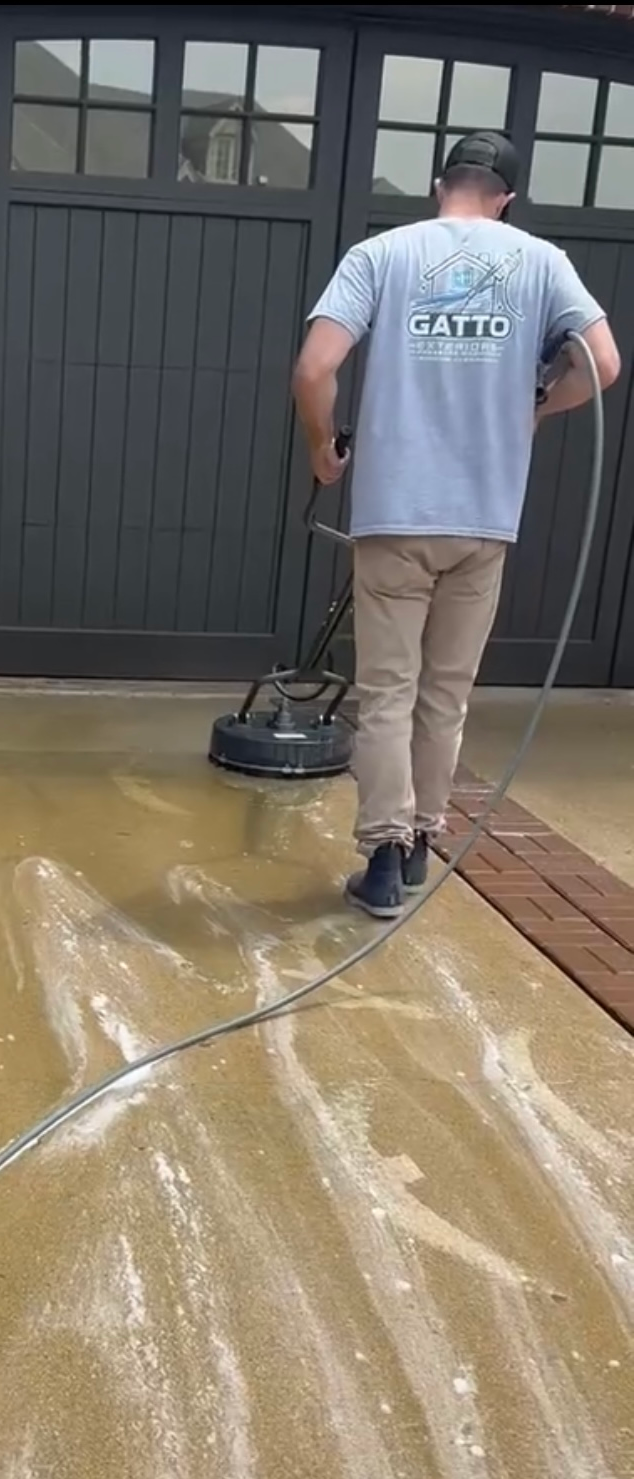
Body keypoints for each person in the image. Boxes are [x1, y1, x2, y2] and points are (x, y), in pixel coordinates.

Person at [292, 130, 621, 919]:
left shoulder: (382, 256)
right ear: (505, 196)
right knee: (446, 694)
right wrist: (537, 407)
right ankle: (418, 848)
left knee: (387, 693)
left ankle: (378, 859)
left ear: (442, 183)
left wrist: (322, 452)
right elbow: (604, 366)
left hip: (394, 515)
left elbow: (313, 369)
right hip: (484, 519)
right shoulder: (540, 261)